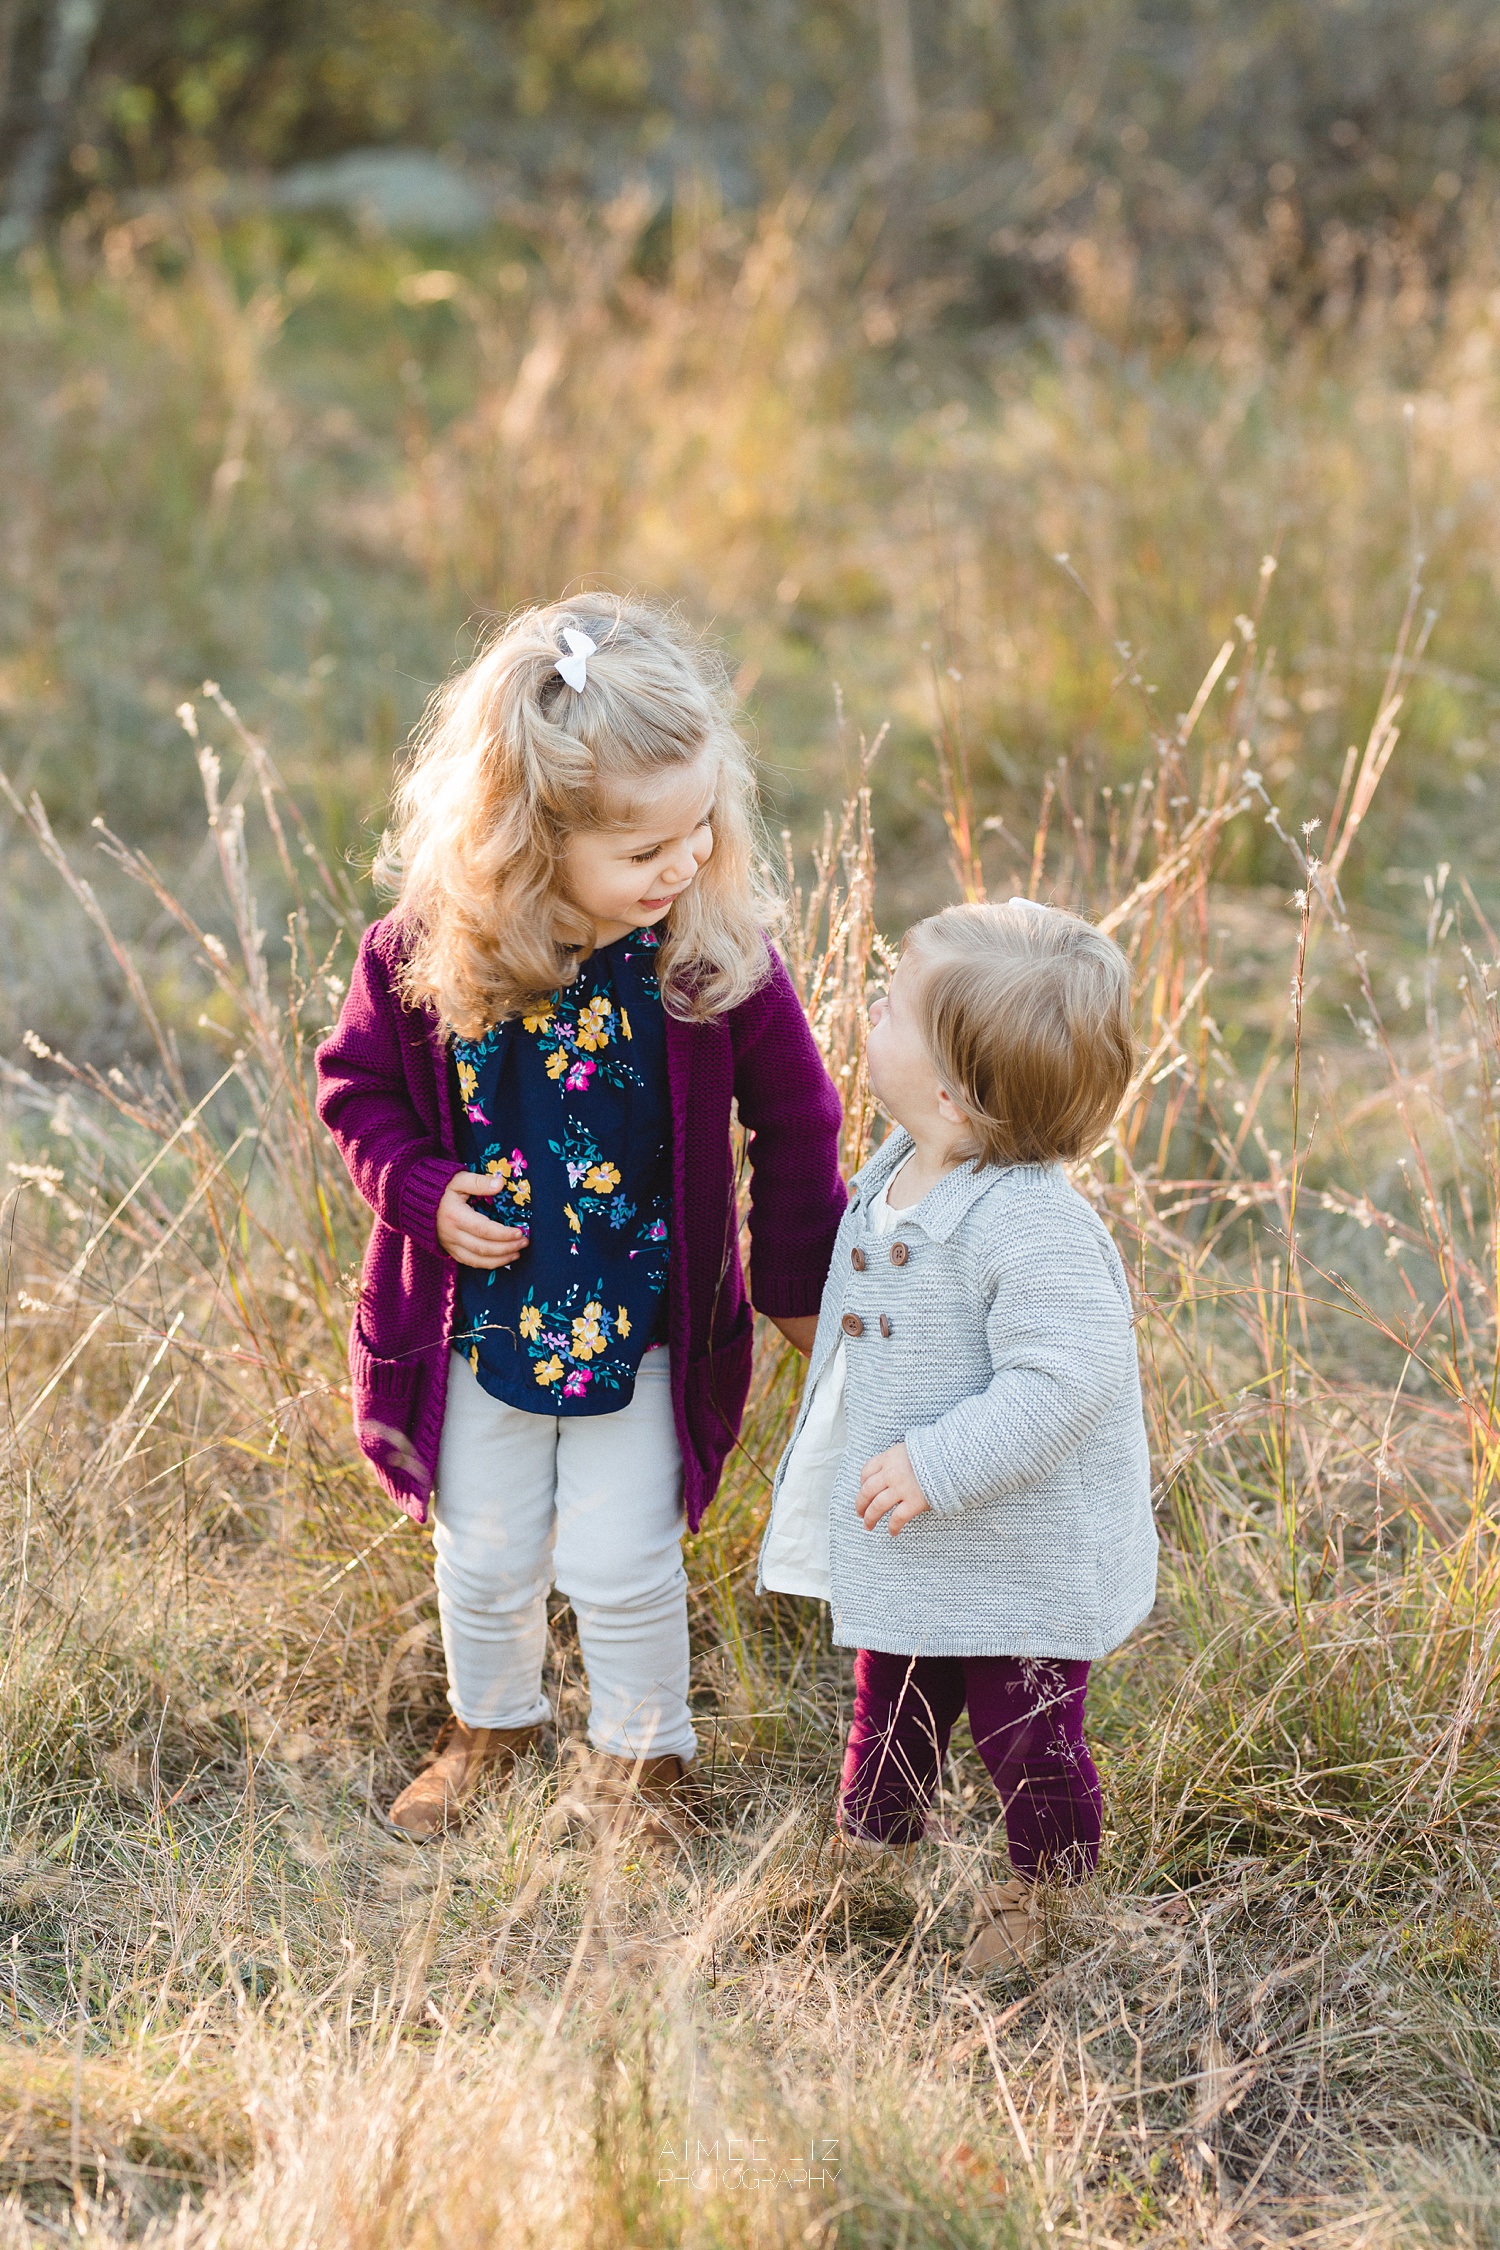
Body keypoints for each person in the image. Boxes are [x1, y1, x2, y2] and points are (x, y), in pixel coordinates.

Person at [317, 598, 845, 1838]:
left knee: (621, 1559)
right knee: (486, 1552)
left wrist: (794, 1283)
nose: (686, 864)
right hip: (476, 1320)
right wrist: (420, 1193)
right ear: (532, 838)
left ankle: (645, 1761)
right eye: (646, 847)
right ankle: (490, 1724)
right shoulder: (424, 959)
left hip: (645, 1322)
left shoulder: (708, 965)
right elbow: (357, 1093)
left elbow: (801, 1118)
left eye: (701, 827)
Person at [758, 898, 1155, 1969]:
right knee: (890, 1706)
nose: (870, 1009)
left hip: (1018, 1559)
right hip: (920, 1543)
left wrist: (938, 1463)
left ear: (952, 1088)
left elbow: (1066, 1380)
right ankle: (874, 1853)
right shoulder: (901, 1164)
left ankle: (1045, 1893)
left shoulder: (1031, 1226)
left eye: (892, 1006)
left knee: (1026, 1737)